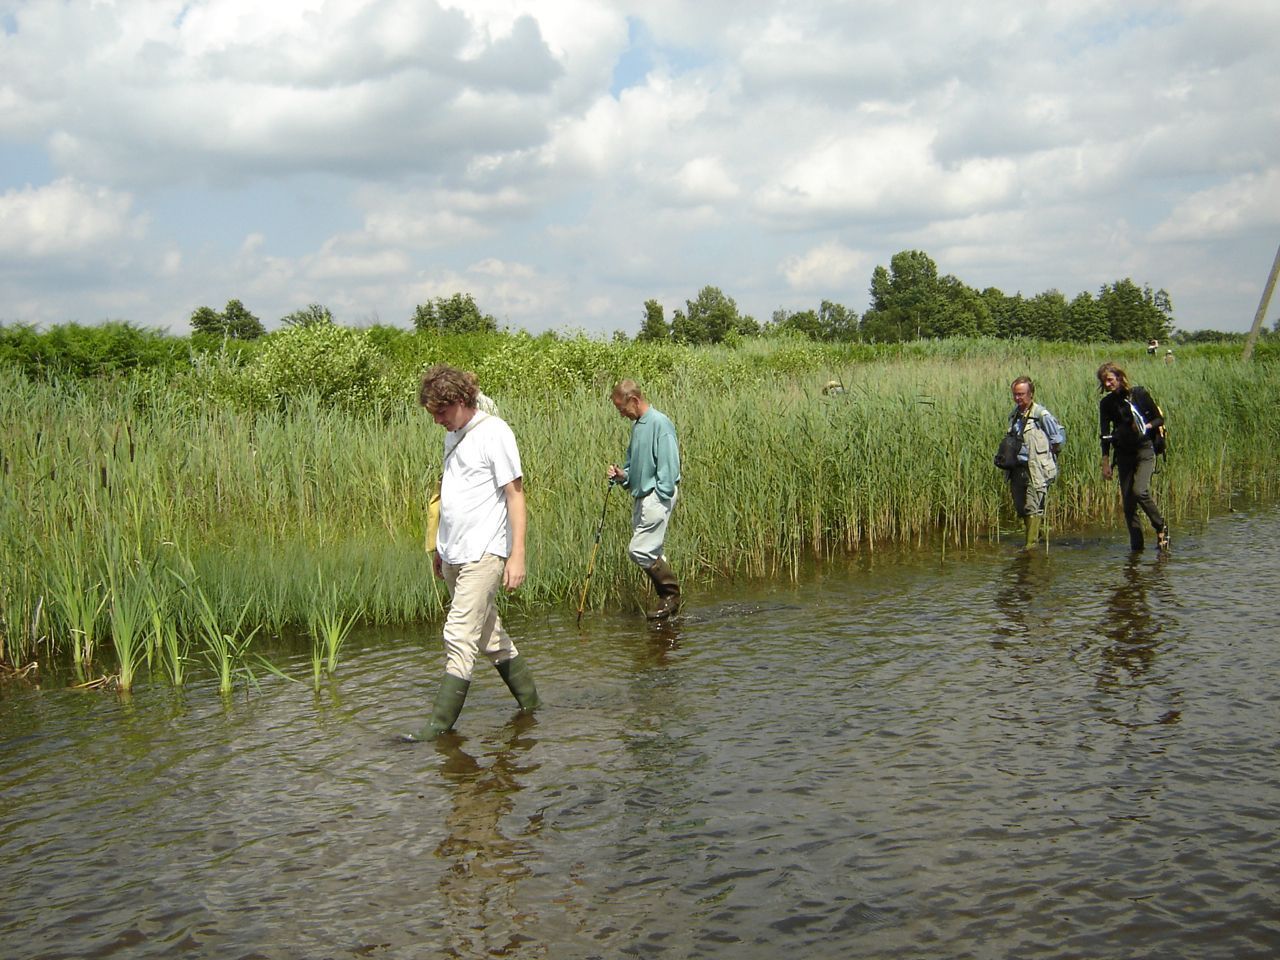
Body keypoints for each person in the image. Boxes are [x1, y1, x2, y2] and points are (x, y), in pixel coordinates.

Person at [404, 365, 539, 741]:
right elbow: (453, 494)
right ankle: (531, 705)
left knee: (458, 636)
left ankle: (436, 730)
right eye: (432, 414)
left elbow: (515, 495)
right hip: (454, 555)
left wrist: (517, 555)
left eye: (441, 413)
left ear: (461, 401)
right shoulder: (455, 434)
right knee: (488, 636)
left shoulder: (495, 433)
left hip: (485, 553)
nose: (437, 421)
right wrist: (439, 549)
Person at [606, 379, 682, 620]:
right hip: (642, 497)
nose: (621, 414)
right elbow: (635, 468)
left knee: (638, 550)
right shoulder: (638, 425)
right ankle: (669, 610)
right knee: (652, 550)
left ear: (635, 400)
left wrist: (661, 495)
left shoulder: (660, 423)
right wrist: (622, 475)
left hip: (656, 497)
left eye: (622, 409)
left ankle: (671, 596)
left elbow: (669, 465)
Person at [1097, 361, 1169, 551]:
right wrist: (1106, 462)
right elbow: (1104, 435)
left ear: (1120, 378)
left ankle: (1161, 526)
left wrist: (1146, 426)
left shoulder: (1139, 394)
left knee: (1139, 491)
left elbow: (1159, 418)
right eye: (1104, 381)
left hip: (1144, 449)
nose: (1107, 385)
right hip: (1123, 453)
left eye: (1110, 380)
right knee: (1129, 505)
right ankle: (1136, 550)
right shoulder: (1106, 403)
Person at [1004, 376, 1066, 549]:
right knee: (1021, 507)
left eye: (1021, 394)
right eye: (1015, 394)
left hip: (1036, 469)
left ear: (1031, 394)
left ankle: (1030, 547)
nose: (1018, 398)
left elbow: (1057, 440)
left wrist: (1047, 461)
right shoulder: (1014, 415)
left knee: (1033, 507)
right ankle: (1038, 536)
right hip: (1017, 469)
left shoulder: (1041, 415)